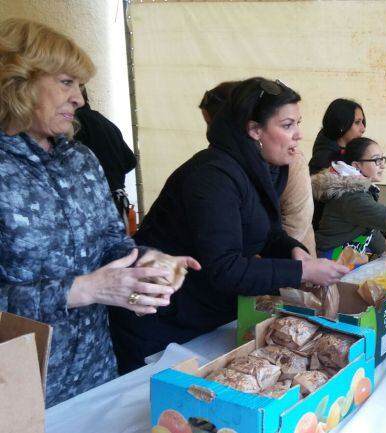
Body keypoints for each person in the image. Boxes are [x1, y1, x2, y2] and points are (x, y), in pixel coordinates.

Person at [0, 18, 199, 406]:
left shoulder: (81, 159)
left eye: (80, 85)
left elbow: (110, 241)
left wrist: (146, 264)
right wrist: (82, 290)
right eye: (66, 82)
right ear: (17, 81)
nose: (79, 98)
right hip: (15, 385)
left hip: (93, 371)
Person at [109, 77, 349, 374]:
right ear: (254, 130)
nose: (299, 135)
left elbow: (267, 231)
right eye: (287, 125)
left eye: (297, 123)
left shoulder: (257, 169)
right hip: (160, 322)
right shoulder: (213, 177)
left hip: (203, 317)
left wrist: (293, 250)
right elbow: (225, 268)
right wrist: (302, 271)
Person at [200, 81, 316, 255]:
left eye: (213, 123)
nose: (299, 135)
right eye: (287, 125)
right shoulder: (218, 167)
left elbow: (296, 219)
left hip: (286, 263)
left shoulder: (289, 159)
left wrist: (285, 255)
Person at [75, 87, 137, 220]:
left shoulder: (76, 124)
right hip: (118, 200)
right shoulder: (106, 122)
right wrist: (114, 177)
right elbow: (131, 160)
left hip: (94, 203)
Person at [308, 98, 366, 175]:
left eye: (362, 122)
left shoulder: (351, 151)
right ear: (341, 124)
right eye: (357, 122)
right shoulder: (323, 162)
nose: (363, 128)